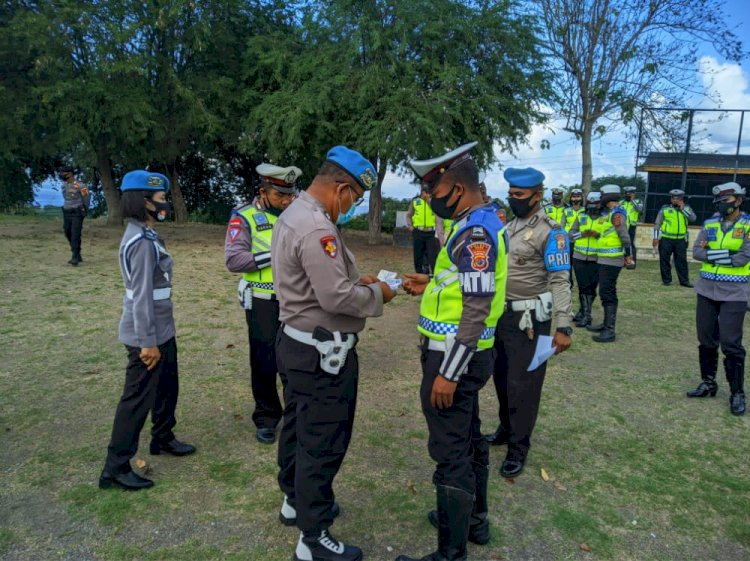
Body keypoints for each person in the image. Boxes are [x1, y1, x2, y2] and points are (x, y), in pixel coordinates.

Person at [271, 146, 395, 561]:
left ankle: (295, 501)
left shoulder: (296, 213)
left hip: (297, 343)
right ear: (341, 188)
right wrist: (380, 293)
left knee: (297, 430)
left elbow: (318, 280)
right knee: (322, 443)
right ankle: (313, 537)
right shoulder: (316, 227)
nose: (353, 206)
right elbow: (336, 296)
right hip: (322, 355)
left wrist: (357, 277)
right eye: (355, 198)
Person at [396, 142, 507, 561]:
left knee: (450, 452)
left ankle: (450, 553)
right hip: (464, 352)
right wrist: (430, 282)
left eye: (433, 190)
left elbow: (477, 307)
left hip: (454, 356)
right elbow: (466, 287)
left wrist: (449, 372)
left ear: (456, 188)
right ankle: (472, 520)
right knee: (469, 436)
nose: (429, 199)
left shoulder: (476, 231)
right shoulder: (478, 221)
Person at [99, 170, 195, 491]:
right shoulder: (140, 242)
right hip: (147, 335)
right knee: (137, 399)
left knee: (168, 387)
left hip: (161, 328)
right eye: (160, 198)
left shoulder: (148, 234)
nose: (164, 203)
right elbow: (140, 295)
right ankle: (115, 467)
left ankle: (163, 437)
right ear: (144, 202)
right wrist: (147, 342)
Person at [484, 167, 572, 478]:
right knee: (501, 376)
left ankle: (519, 447)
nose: (513, 200)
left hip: (530, 319)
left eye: (518, 196)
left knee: (525, 384)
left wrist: (563, 325)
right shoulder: (509, 226)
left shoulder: (552, 231)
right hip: (501, 315)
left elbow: (560, 280)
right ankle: (506, 428)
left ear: (537, 196)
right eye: (510, 195)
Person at [225, 163, 300, 444]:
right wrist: (275, 255)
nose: (287, 201)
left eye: (290, 195)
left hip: (295, 300)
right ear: (263, 192)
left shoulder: (297, 216)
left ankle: (296, 413)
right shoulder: (244, 217)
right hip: (263, 303)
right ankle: (267, 416)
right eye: (281, 196)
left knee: (296, 358)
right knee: (264, 360)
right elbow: (234, 260)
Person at [688, 182, 749, 416]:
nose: (722, 205)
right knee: (706, 339)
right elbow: (696, 252)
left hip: (735, 291)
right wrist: (725, 255)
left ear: (738, 200)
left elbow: (743, 258)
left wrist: (711, 254)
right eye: (719, 202)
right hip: (706, 289)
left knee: (731, 343)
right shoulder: (710, 223)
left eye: (726, 201)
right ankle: (709, 383)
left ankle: (737, 392)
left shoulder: (748, 225)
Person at [585, 185, 633, 343]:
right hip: (604, 259)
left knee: (608, 293)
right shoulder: (610, 214)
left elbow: (624, 236)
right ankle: (605, 324)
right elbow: (606, 234)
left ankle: (609, 330)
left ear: (608, 197)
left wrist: (629, 256)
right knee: (605, 292)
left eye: (602, 196)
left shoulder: (617, 214)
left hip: (612, 260)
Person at [569, 191, 602, 328]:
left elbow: (609, 237)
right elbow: (571, 234)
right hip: (580, 257)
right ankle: (586, 315)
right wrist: (581, 234)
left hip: (597, 257)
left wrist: (597, 235)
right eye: (590, 203)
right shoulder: (581, 216)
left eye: (596, 203)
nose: (593, 206)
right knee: (583, 286)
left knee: (592, 286)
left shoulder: (605, 218)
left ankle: (583, 311)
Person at [653, 189, 696, 287]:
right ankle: (666, 280)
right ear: (671, 199)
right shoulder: (665, 208)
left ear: (681, 199)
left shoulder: (687, 208)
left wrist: (683, 209)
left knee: (681, 261)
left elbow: (693, 218)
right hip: (665, 239)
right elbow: (657, 223)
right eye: (673, 198)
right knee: (664, 260)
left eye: (678, 198)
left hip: (680, 240)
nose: (675, 200)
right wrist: (655, 237)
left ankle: (684, 281)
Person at [60, 166, 91, 266]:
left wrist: (85, 210)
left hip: (77, 212)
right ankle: (77, 253)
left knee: (75, 233)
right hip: (67, 211)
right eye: (62, 173)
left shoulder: (81, 185)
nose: (63, 175)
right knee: (67, 231)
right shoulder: (64, 185)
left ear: (71, 174)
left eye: (65, 173)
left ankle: (75, 255)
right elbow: (65, 197)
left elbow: (86, 198)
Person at [406, 186, 439, 274]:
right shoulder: (415, 202)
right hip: (418, 232)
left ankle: (432, 274)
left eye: (429, 194)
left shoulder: (433, 202)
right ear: (423, 193)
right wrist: (410, 226)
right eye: (427, 193)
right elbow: (409, 215)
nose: (428, 195)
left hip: (431, 233)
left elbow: (438, 215)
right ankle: (419, 273)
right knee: (418, 255)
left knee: (432, 255)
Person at [620, 186, 643, 266]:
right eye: (626, 193)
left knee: (630, 243)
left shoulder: (638, 201)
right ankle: (623, 261)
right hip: (622, 225)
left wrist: (632, 200)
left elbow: (639, 209)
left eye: (629, 193)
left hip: (632, 226)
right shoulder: (621, 202)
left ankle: (632, 262)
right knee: (621, 243)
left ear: (634, 194)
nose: (627, 195)